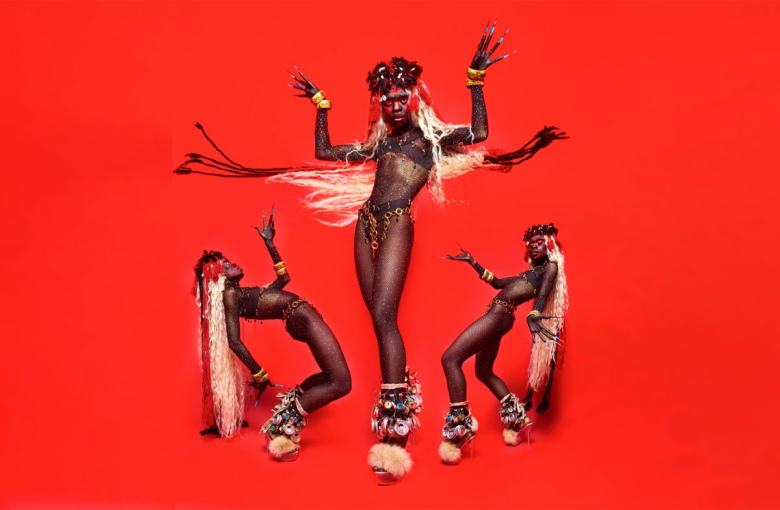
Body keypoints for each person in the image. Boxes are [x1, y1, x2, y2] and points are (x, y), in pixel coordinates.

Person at [176, 20, 566, 483]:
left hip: (397, 222)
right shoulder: (381, 143)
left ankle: (394, 432)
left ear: (414, 99)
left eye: (401, 98)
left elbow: (479, 132)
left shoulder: (428, 140)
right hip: (365, 226)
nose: (394, 106)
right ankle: (362, 423)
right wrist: (321, 105)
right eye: (387, 101)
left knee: (385, 317)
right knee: (377, 320)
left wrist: (475, 80)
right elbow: (325, 151)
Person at [193, 210, 351, 461]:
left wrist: (270, 244)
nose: (234, 264)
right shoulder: (230, 296)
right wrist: (259, 373)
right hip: (302, 317)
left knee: (332, 377)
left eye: (230, 262)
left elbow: (284, 279)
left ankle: (285, 417)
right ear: (218, 279)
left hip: (302, 316)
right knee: (342, 383)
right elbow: (234, 340)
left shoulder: (242, 294)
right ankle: (282, 425)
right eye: (227, 266)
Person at [438, 223, 569, 465]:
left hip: (499, 315)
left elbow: (542, 296)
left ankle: (460, 427)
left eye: (539, 242)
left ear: (550, 245)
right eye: (531, 243)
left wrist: (535, 314)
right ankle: (517, 420)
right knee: (483, 372)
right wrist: (473, 262)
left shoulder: (550, 267)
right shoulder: (529, 274)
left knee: (450, 359)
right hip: (499, 316)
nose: (534, 246)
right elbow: (498, 283)